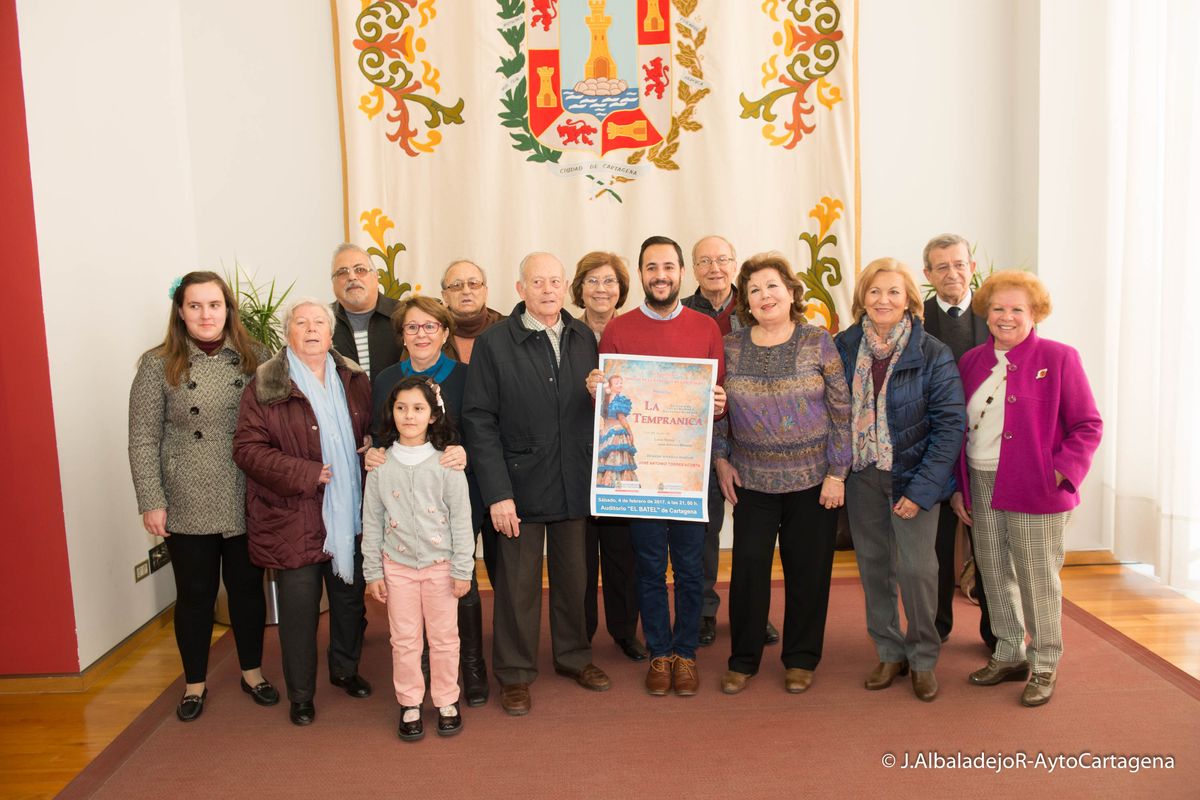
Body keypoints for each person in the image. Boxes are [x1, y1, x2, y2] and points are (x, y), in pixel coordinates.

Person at [462, 252, 612, 716]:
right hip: (518, 487)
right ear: (520, 289)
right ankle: (514, 673)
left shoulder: (584, 336)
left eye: (555, 281)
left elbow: (605, 410)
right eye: (538, 282)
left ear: (566, 287)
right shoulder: (494, 343)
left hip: (575, 479)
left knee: (575, 578)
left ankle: (574, 657)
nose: (548, 290)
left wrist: (601, 394)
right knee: (516, 587)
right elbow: (478, 420)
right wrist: (497, 493)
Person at [128, 271, 276, 722]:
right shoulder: (157, 364)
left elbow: (276, 426)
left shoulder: (256, 357)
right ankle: (194, 683)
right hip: (185, 496)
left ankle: (252, 672)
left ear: (228, 309)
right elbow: (142, 438)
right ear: (180, 311)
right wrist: (151, 500)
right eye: (195, 306)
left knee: (247, 590)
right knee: (195, 593)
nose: (206, 315)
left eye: (214, 305)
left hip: (244, 490)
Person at [951, 270, 1102, 707]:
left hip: (1038, 486)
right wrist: (960, 487)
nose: (1006, 316)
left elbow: (1088, 425)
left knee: (1037, 578)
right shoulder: (971, 361)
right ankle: (1009, 652)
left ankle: (1045, 662)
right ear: (986, 312)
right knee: (993, 571)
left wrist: (1060, 472)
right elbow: (959, 428)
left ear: (1035, 313)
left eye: (1017, 309)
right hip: (981, 480)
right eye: (998, 308)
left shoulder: (1059, 357)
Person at [590, 235, 727, 697]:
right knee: (648, 567)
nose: (661, 276)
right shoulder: (618, 330)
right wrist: (597, 393)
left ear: (682, 272)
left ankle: (685, 654)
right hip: (640, 474)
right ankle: (660, 653)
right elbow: (609, 407)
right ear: (641, 274)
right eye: (652, 268)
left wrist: (720, 403)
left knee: (690, 568)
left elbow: (717, 397)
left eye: (668, 267)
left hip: (688, 473)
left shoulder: (706, 328)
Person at [713, 253, 851, 695]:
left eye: (772, 286)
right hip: (752, 480)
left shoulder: (818, 341)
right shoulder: (730, 346)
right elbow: (717, 408)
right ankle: (743, 659)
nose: (764, 295)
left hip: (813, 481)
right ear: (746, 302)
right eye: (754, 290)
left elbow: (842, 410)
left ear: (791, 292)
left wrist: (838, 472)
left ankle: (801, 658)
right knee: (748, 572)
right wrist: (720, 459)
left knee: (808, 572)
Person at [233, 299, 373, 726]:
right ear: (287, 332)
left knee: (349, 601)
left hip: (350, 512)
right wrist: (306, 473)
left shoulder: (354, 378)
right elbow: (247, 450)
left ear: (331, 333)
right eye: (301, 322)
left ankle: (345, 670)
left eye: (319, 323)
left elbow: (371, 426)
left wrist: (372, 443)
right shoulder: (265, 384)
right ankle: (301, 694)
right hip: (292, 515)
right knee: (299, 610)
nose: (311, 329)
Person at [833, 258, 965, 702]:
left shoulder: (932, 352)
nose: (883, 300)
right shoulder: (844, 346)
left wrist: (921, 491)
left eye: (893, 291)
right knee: (874, 567)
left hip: (913, 477)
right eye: (874, 291)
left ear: (909, 298)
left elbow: (949, 427)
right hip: (863, 475)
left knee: (918, 570)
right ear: (862, 298)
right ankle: (889, 651)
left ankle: (923, 657)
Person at [368, 296, 488, 707]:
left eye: (430, 326)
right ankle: (418, 676)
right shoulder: (386, 379)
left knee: (460, 582)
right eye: (412, 327)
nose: (421, 334)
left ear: (445, 332)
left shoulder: (467, 375)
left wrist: (466, 451)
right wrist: (373, 453)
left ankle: (470, 666)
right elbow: (381, 432)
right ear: (401, 334)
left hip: (456, 491)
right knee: (410, 610)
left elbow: (484, 427)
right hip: (403, 501)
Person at [363, 377, 475, 740]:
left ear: (433, 415)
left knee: (444, 638)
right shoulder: (380, 466)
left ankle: (446, 699)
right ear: (391, 412)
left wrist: (463, 568)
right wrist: (372, 571)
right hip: (397, 569)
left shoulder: (447, 464)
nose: (409, 416)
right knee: (404, 640)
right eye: (401, 408)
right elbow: (371, 521)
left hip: (441, 568)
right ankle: (410, 702)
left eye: (417, 408)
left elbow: (461, 520)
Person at [682, 236, 778, 647]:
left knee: (756, 536)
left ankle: (752, 612)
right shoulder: (681, 312)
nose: (715, 268)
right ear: (693, 269)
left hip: (756, 438)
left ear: (734, 264)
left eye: (722, 259)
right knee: (704, 533)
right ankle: (703, 610)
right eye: (705, 261)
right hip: (700, 439)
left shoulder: (757, 306)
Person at [570, 251, 646, 662]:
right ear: (579, 289)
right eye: (592, 281)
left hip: (619, 458)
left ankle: (625, 631)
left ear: (622, 288)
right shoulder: (565, 333)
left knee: (623, 554)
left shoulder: (635, 331)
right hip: (578, 460)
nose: (601, 289)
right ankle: (578, 635)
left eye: (610, 281)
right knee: (579, 558)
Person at [921, 234, 996, 649]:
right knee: (934, 548)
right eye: (942, 267)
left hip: (986, 449)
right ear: (928, 274)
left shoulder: (995, 316)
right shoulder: (915, 319)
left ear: (972, 267)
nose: (952, 273)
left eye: (959, 264)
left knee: (989, 548)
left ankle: (996, 634)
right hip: (932, 449)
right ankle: (934, 629)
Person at [330, 243, 402, 381]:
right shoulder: (322, 323)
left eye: (360, 270)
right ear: (333, 283)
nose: (352, 277)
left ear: (376, 276)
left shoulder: (403, 315)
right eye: (342, 272)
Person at [441, 259, 502, 364]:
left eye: (473, 283)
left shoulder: (506, 328)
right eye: (457, 285)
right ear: (445, 296)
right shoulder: (431, 331)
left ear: (485, 292)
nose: (466, 291)